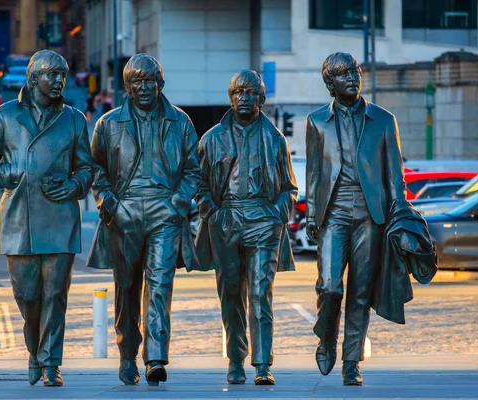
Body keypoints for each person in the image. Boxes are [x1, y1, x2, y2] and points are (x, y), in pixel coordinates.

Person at [0, 50, 94, 387]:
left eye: (62, 75)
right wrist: (12, 172)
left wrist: (73, 185)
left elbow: (87, 169)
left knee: (56, 295)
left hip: (60, 218)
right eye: (52, 75)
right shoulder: (6, 116)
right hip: (19, 219)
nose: (59, 81)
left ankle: (51, 362)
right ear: (33, 79)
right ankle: (34, 350)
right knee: (28, 296)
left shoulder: (74, 119)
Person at [87, 53, 200, 386]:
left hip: (165, 213)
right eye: (137, 82)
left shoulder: (180, 122)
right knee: (126, 288)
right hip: (124, 213)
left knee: (160, 284)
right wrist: (110, 204)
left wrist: (177, 202)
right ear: (128, 87)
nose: (145, 87)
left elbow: (194, 170)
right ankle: (127, 354)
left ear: (160, 83)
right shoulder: (108, 124)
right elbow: (95, 168)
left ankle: (155, 357)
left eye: (150, 81)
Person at [305, 52, 406, 386]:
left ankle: (351, 361)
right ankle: (326, 336)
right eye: (343, 73)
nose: (352, 76)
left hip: (370, 214)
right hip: (332, 212)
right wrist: (310, 212)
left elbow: (395, 175)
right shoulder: (317, 121)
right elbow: (315, 173)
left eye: (355, 71)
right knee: (330, 286)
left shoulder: (383, 120)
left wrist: (399, 215)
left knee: (361, 292)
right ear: (330, 83)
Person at [195, 70, 298, 385]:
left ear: (261, 99)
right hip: (226, 222)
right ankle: (236, 359)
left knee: (259, 293)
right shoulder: (212, 139)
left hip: (262, 223)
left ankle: (263, 362)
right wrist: (212, 213)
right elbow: (198, 185)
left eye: (250, 92)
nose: (243, 98)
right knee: (230, 295)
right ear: (230, 98)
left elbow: (289, 189)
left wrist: (275, 215)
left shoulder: (274, 139)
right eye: (237, 92)